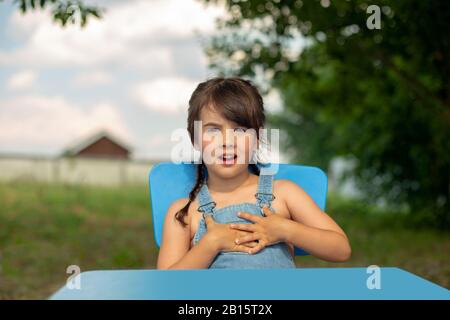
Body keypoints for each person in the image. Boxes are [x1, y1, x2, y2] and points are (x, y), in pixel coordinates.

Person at [157, 76, 351, 269]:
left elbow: (341, 249)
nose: (227, 141)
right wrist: (210, 244)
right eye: (213, 130)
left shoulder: (283, 193)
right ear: (194, 139)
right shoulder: (184, 212)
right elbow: (165, 287)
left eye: (240, 131)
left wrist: (286, 229)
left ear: (257, 138)